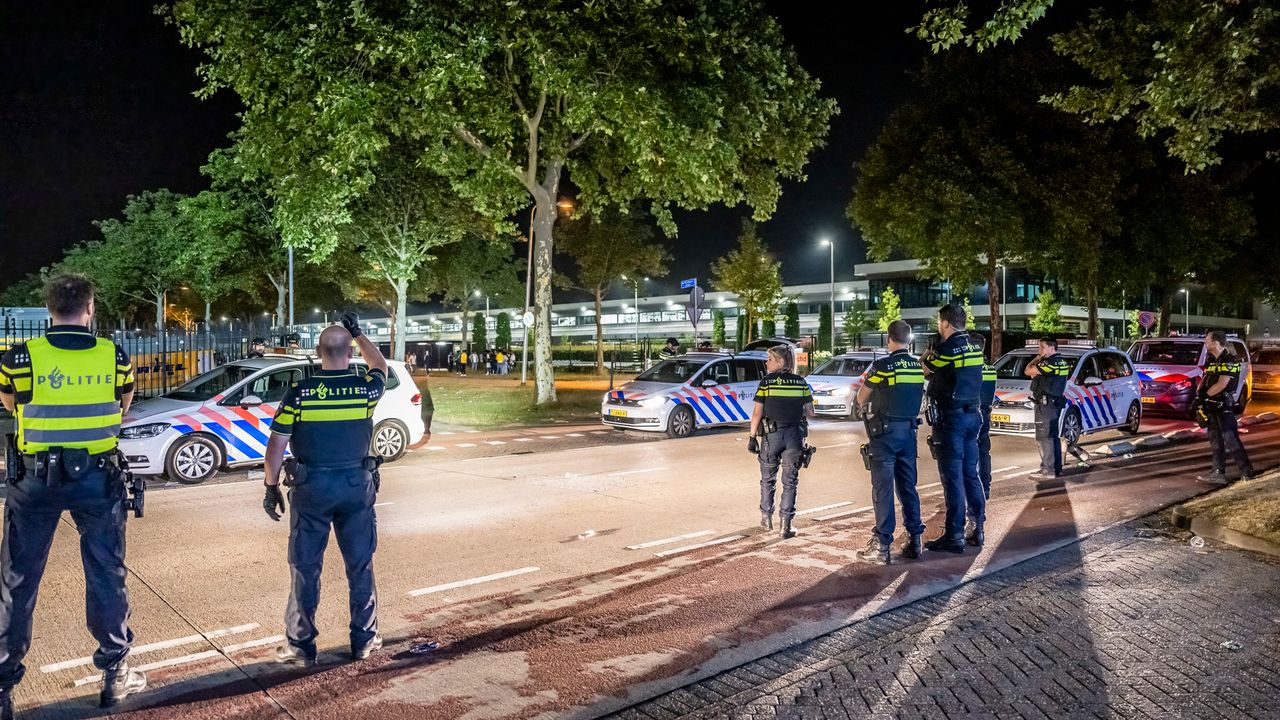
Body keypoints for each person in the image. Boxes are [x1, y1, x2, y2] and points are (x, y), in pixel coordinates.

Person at [0, 275, 147, 714]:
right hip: (96, 478)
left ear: (49, 310)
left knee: (17, 580)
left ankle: (3, 687)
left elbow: (11, 403)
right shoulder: (113, 356)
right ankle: (115, 671)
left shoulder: (20, 357)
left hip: (34, 480)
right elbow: (124, 404)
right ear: (90, 308)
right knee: (106, 573)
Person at [262, 312, 387, 667]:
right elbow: (380, 365)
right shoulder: (364, 390)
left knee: (306, 567)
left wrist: (271, 488)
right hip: (355, 487)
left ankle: (301, 645)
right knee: (360, 565)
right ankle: (364, 640)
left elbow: (276, 448)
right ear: (350, 353)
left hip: (311, 489)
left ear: (319, 352)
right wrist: (359, 332)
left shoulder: (300, 393)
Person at [853, 320, 926, 564]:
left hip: (884, 435)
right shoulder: (916, 366)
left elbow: (862, 397)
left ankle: (882, 545)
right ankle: (915, 539)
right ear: (910, 340)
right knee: (908, 487)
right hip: (909, 434)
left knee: (883, 489)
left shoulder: (883, 365)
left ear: (888, 339)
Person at [921, 304, 985, 553]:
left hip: (952, 419)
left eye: (939, 322)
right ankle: (977, 527)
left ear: (946, 322)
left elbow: (924, 369)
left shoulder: (948, 348)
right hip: (973, 416)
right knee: (971, 473)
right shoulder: (974, 347)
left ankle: (955, 534)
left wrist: (928, 351)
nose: (938, 326)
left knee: (953, 477)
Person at [749, 345, 814, 539]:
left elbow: (757, 413)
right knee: (790, 481)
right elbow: (811, 411)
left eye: (769, 359)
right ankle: (786, 525)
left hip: (771, 437)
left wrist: (752, 437)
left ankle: (766, 518)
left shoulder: (767, 382)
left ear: (781, 362)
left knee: (767, 479)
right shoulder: (800, 382)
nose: (766, 363)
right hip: (794, 437)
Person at [1196, 331, 1255, 485]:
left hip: (1223, 405)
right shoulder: (1211, 359)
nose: (1205, 342)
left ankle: (1246, 472)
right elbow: (1206, 378)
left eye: (1207, 340)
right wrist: (1199, 396)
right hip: (1211, 405)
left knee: (1231, 439)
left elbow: (1223, 383)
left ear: (1216, 343)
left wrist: (1204, 396)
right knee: (1215, 440)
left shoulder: (1230, 360)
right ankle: (1218, 472)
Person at [1024, 337, 1071, 481]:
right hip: (1053, 403)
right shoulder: (1062, 362)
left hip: (1045, 404)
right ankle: (1056, 468)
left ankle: (1047, 469)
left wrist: (1037, 358)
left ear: (1051, 348)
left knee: (1044, 437)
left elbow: (1027, 370)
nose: (1040, 351)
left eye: (1042, 348)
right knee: (1052, 436)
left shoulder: (1049, 363)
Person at [975, 334, 997, 499]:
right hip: (986, 412)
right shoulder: (990, 367)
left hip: (973, 412)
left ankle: (974, 488)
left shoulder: (972, 366)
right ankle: (985, 486)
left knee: (970, 451)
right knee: (983, 450)